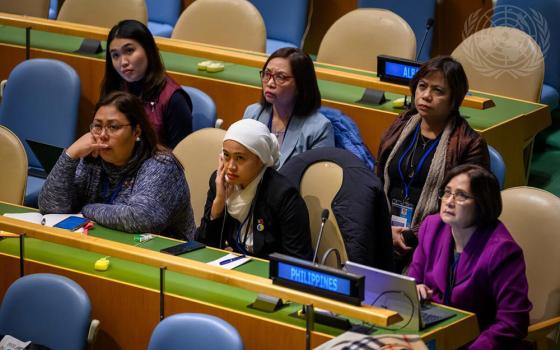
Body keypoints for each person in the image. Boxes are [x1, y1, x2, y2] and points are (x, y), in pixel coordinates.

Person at [375, 56, 490, 268]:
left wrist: (411, 236)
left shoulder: (469, 144)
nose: (426, 96)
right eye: (422, 86)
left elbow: (465, 207)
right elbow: (378, 178)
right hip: (383, 231)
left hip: (435, 240)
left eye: (438, 91)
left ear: (454, 100)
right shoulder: (402, 124)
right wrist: (381, 227)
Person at [39, 91, 196, 240]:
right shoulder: (91, 159)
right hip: (107, 245)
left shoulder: (161, 166)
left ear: (136, 131)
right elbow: (51, 207)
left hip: (165, 258)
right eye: (97, 126)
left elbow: (142, 218)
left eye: (113, 127)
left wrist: (86, 209)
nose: (102, 135)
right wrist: (70, 155)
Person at [409, 164, 531, 349]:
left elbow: (513, 322)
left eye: (461, 196)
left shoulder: (502, 251)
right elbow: (412, 279)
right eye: (447, 192)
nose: (449, 201)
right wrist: (416, 288)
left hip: (477, 343)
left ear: (482, 203)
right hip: (430, 334)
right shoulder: (431, 227)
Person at [196, 119, 313, 260]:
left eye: (240, 158)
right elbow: (202, 246)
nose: (231, 166)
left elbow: (297, 261)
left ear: (261, 159)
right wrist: (219, 203)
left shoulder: (283, 196)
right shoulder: (220, 183)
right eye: (226, 156)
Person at [102, 19, 193, 149]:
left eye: (129, 51)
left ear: (148, 50)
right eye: (115, 55)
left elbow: (180, 159)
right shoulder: (115, 88)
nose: (123, 62)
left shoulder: (174, 99)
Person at [243, 47, 334, 168]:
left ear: (300, 85)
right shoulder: (253, 113)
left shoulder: (319, 129)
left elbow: (318, 179)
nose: (270, 83)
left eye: (280, 77)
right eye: (267, 74)